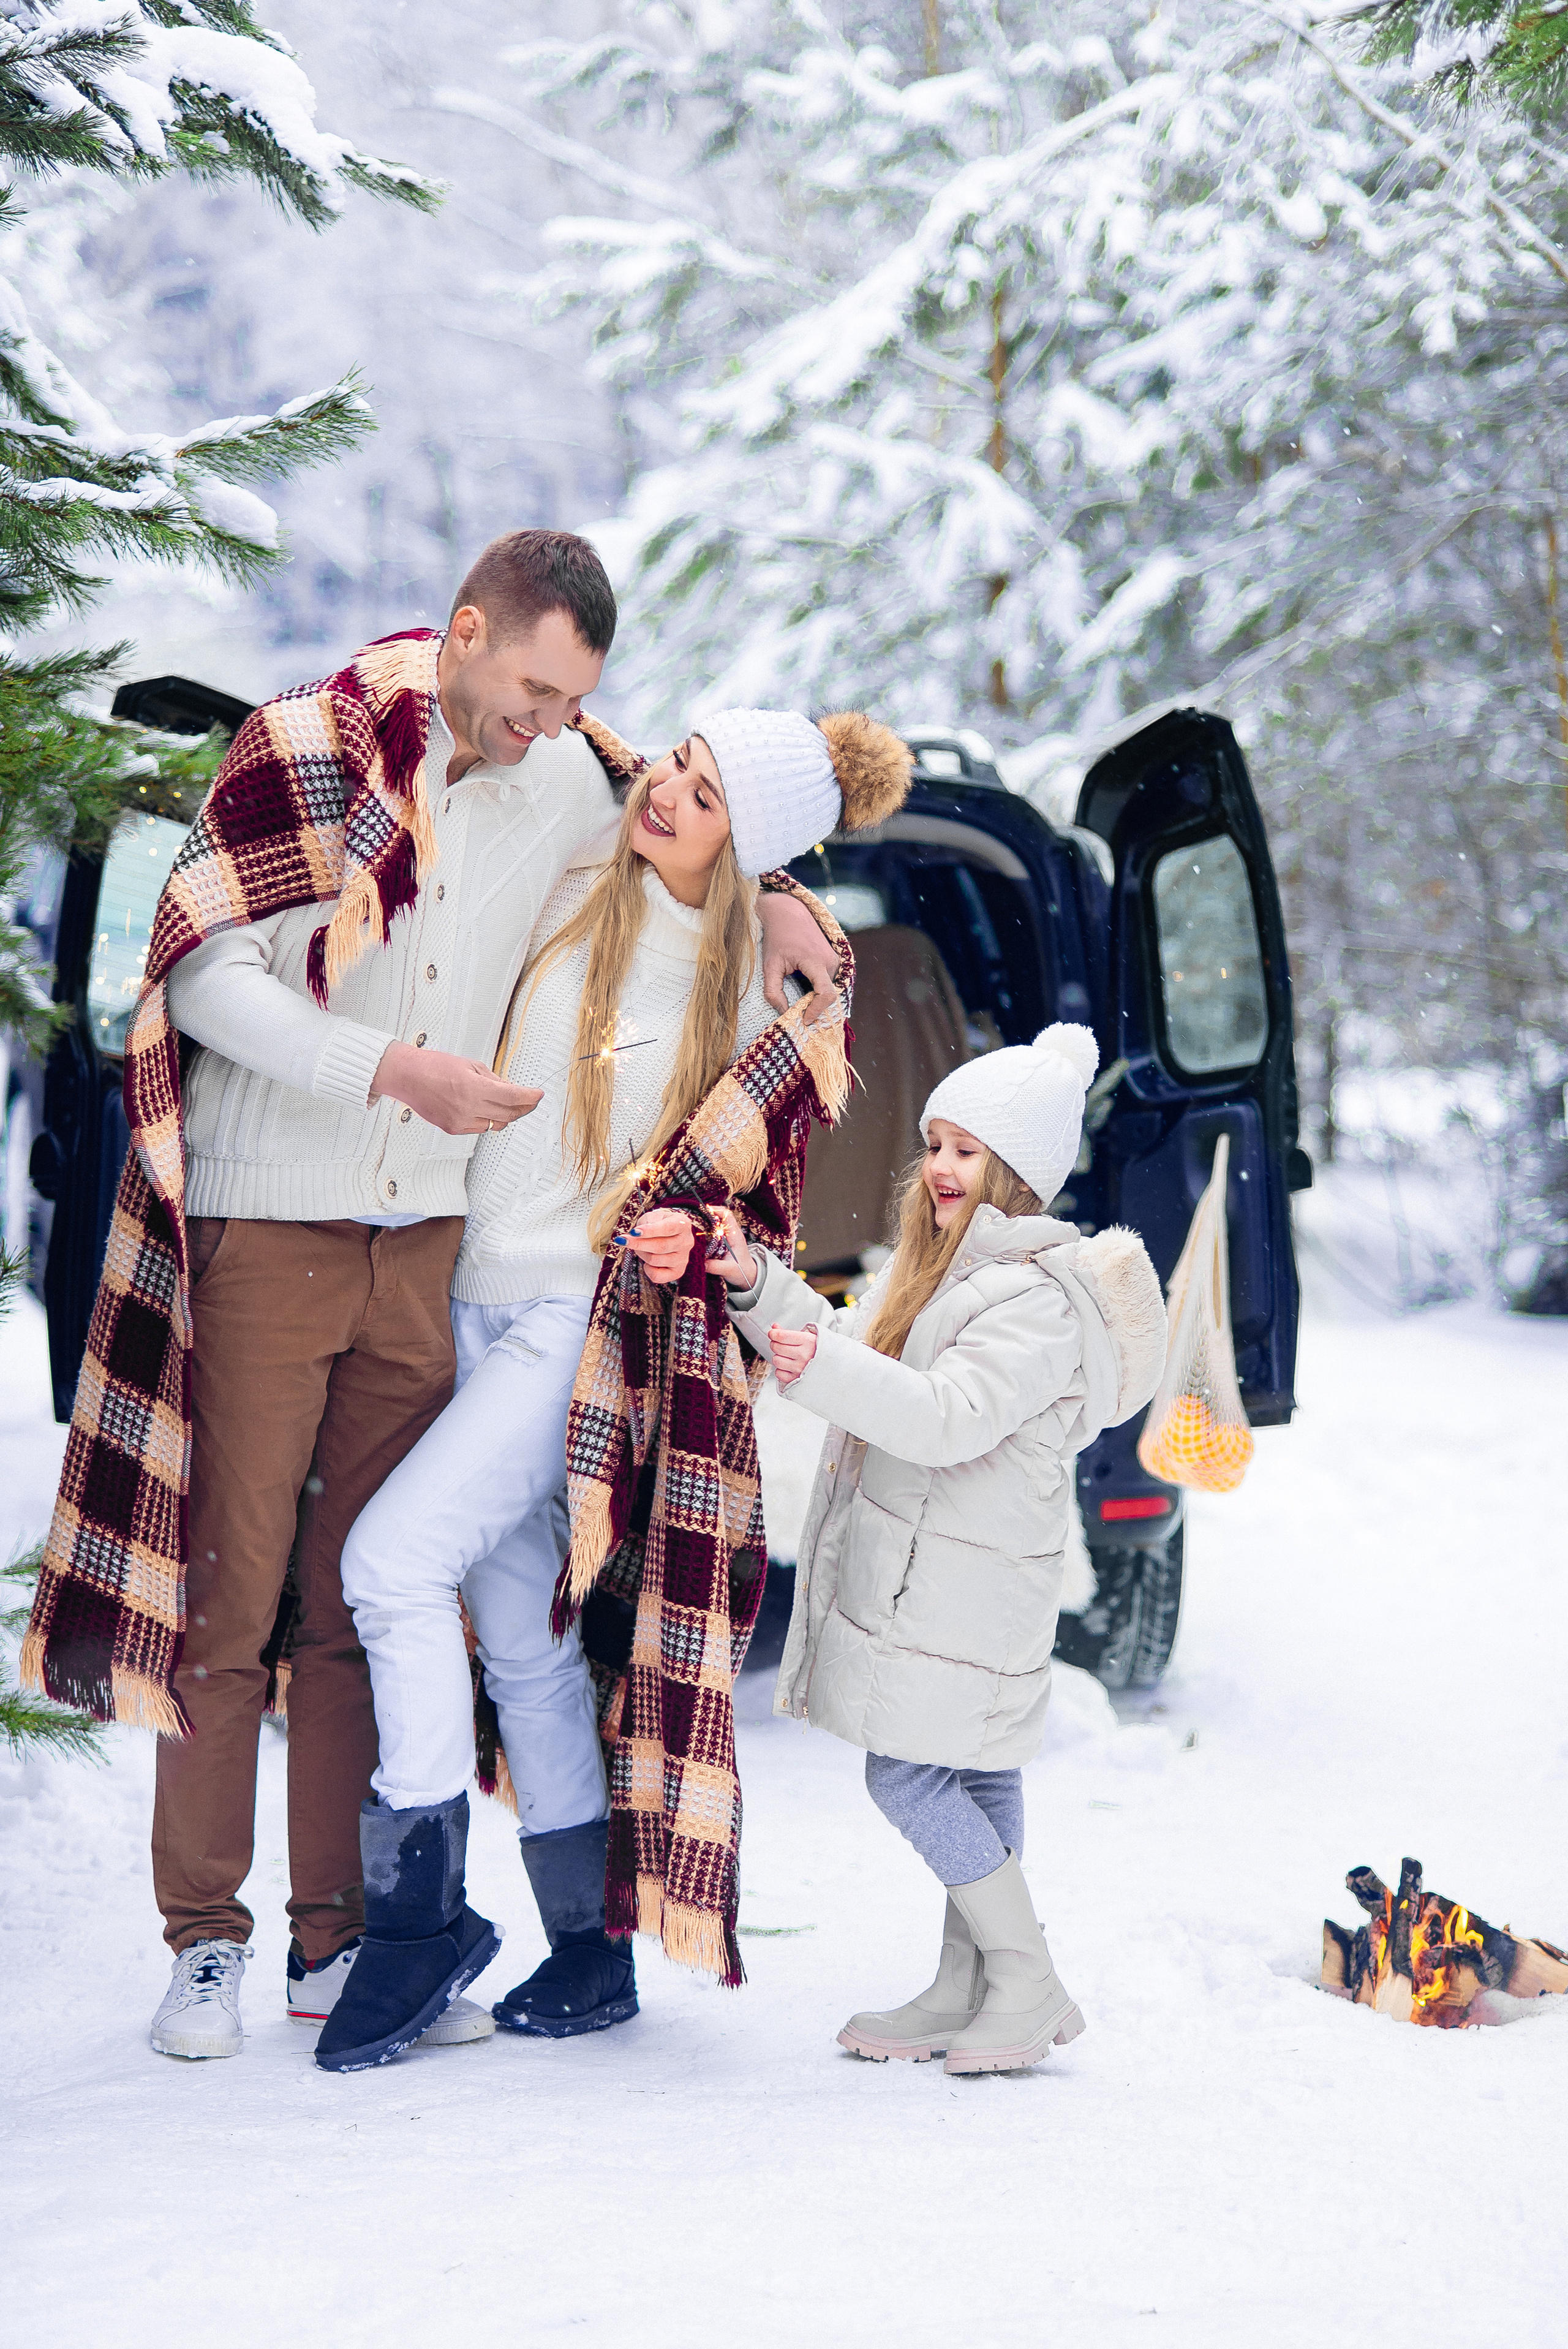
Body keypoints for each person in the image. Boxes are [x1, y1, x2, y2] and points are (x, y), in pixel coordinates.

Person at [26, 527, 842, 2065]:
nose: (546, 725)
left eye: (568, 704)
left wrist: (801, 908)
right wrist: (382, 1069)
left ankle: (349, 1941)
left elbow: (713, 844)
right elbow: (197, 970)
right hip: (276, 1224)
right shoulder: (310, 747)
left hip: (436, 1257)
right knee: (232, 1596)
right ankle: (208, 1939)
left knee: (359, 1601)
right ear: (464, 631)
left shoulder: (575, 792)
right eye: (528, 687)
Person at [316, 705, 913, 2072]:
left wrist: (798, 944)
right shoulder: (591, 862)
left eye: (704, 798)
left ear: (747, 851)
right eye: (677, 768)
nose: (670, 796)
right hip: (455, 1298)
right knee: (516, 1635)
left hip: (556, 1327)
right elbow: (567, 721)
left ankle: (419, 1923)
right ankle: (586, 1952)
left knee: (390, 1568)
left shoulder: (738, 990)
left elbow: (793, 1092)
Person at [706, 1025, 1168, 2075]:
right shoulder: (944, 1272)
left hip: (966, 1580)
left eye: (969, 1149)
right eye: (938, 1144)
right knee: (974, 1770)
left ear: (1018, 1170)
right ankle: (974, 1983)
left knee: (911, 1776)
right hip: (944, 1570)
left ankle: (1025, 1976)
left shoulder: (1036, 1298)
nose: (944, 1168)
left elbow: (948, 1417)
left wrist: (816, 1365)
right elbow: (851, 1339)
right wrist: (755, 1284)